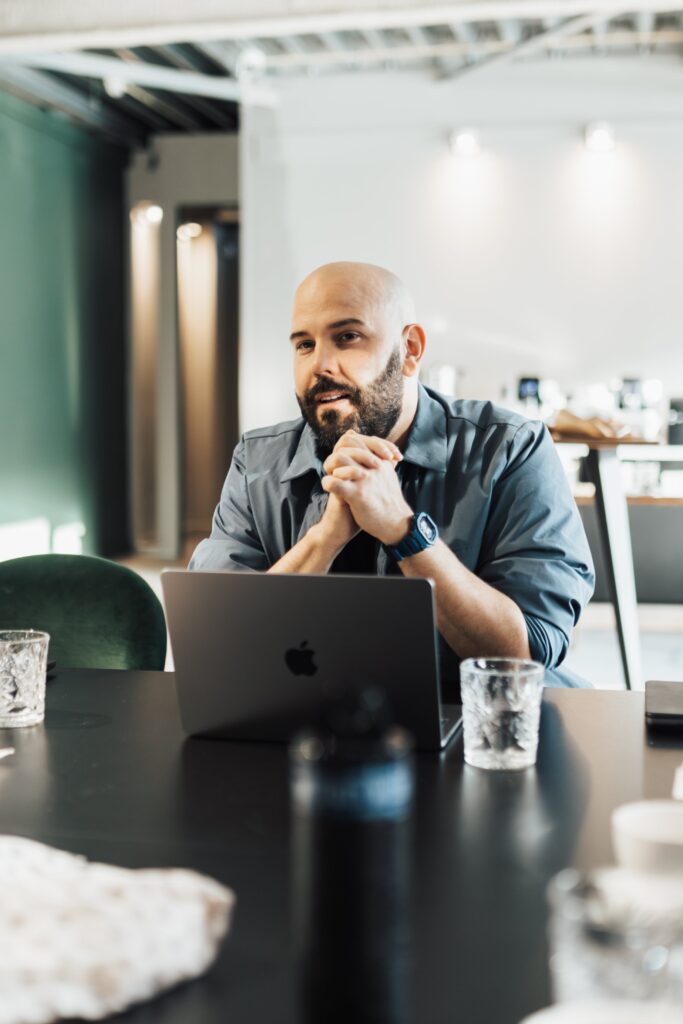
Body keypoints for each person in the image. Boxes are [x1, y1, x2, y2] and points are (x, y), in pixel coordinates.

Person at [190, 262, 594, 690]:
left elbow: (528, 652)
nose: (320, 364)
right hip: (310, 731)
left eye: (347, 337)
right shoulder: (258, 461)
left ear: (411, 350)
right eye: (304, 345)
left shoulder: (510, 448)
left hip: (480, 730)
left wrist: (404, 531)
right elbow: (216, 640)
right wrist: (323, 540)